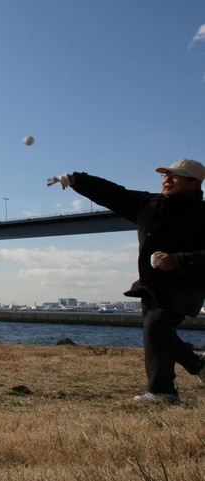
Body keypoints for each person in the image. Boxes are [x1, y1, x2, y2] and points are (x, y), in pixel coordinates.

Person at [48, 159, 205, 404]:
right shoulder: (149, 204)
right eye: (165, 175)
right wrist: (78, 179)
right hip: (151, 285)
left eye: (176, 176)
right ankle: (197, 364)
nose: (167, 179)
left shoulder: (202, 215)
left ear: (195, 183)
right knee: (157, 333)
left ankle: (163, 392)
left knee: (156, 327)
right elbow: (114, 194)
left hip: (184, 285)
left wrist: (177, 260)